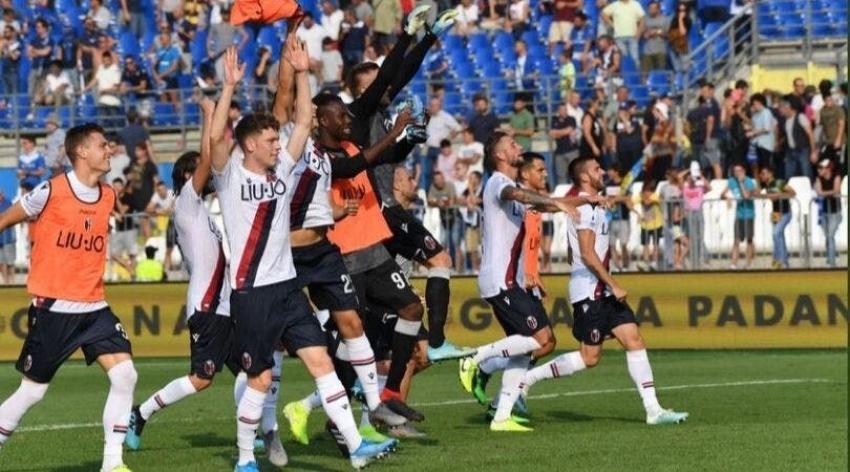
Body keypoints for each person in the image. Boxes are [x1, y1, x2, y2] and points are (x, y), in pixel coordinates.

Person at [209, 47, 395, 472]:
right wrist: (229, 87)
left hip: (288, 287)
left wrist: (304, 71)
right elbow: (216, 137)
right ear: (251, 144)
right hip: (252, 294)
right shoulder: (229, 175)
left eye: (280, 139)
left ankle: (354, 446)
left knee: (321, 362)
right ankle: (243, 460)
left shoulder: (283, 170)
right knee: (259, 378)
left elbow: (306, 121)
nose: (280, 144)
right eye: (272, 139)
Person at [126, 102, 287, 465]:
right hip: (207, 307)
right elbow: (205, 157)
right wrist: (207, 116)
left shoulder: (203, 212)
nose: (212, 178)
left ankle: (254, 435)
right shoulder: (185, 202)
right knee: (202, 378)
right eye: (201, 174)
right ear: (188, 177)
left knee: (253, 371)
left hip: (227, 305)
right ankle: (142, 412)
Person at [270, 29, 410, 439]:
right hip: (289, 257)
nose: (345, 120)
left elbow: (349, 167)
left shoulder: (320, 152)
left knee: (352, 325)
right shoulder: (291, 147)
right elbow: (286, 103)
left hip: (325, 250)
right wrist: (294, 69)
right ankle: (263, 432)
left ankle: (374, 407)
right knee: (275, 350)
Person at [0, 123, 137, 472]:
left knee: (125, 376)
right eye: (103, 145)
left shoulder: (108, 195)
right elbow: (7, 219)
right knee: (32, 393)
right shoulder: (52, 190)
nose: (110, 150)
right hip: (55, 307)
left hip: (95, 306)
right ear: (81, 152)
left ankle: (112, 463)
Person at [519, 155, 689, 426]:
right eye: (597, 169)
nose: (603, 172)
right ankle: (526, 379)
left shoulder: (593, 205)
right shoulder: (585, 208)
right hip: (590, 291)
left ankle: (653, 409)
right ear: (585, 177)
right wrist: (613, 283)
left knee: (633, 339)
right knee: (590, 357)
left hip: (602, 290)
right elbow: (587, 253)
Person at [458, 131, 585, 432]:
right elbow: (517, 196)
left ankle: (502, 416)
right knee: (541, 339)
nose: (519, 147)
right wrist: (558, 203)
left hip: (512, 281)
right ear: (500, 155)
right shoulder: (498, 182)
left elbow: (548, 204)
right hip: (500, 281)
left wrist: (586, 200)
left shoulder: (515, 188)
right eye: (512, 145)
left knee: (528, 347)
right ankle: (478, 359)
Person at [756, 166, 795, 269]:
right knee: (778, 236)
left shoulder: (779, 182)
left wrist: (779, 194)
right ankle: (783, 260)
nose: (762, 176)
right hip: (776, 213)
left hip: (785, 212)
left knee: (776, 233)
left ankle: (780, 260)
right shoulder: (767, 185)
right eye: (761, 174)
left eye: (764, 173)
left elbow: (792, 193)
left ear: (770, 174)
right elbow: (761, 195)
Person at [723, 163, 756, 269]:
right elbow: (722, 194)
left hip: (749, 214)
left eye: (739, 171)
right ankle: (734, 263)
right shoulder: (731, 181)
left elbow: (747, 196)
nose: (737, 173)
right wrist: (726, 197)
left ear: (744, 171)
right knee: (736, 240)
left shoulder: (749, 181)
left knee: (749, 239)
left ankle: (749, 263)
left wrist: (741, 183)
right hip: (739, 215)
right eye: (735, 171)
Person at [781, 95, 817, 179]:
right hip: (790, 151)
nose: (782, 110)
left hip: (803, 150)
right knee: (789, 174)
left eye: (784, 107)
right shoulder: (787, 120)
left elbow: (810, 134)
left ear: (789, 107)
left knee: (806, 172)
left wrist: (813, 151)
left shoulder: (801, 117)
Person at [814, 159, 842, 267]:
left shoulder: (836, 176)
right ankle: (831, 256)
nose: (819, 170)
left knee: (830, 235)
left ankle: (831, 261)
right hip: (824, 212)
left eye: (821, 168)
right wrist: (829, 193)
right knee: (827, 236)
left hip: (835, 212)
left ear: (828, 168)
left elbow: (836, 190)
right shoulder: (818, 178)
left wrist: (825, 193)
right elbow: (819, 192)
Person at [682, 162, 710, 267]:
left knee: (700, 236)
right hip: (689, 213)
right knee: (692, 237)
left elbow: (710, 187)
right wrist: (689, 171)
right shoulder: (685, 186)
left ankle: (703, 259)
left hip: (699, 212)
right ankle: (695, 261)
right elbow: (678, 177)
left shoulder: (700, 186)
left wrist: (700, 175)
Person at [605, 165, 633, 271]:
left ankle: (626, 266)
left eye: (610, 170)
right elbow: (604, 198)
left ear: (616, 172)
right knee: (612, 245)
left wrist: (616, 199)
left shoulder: (624, 184)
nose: (608, 173)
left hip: (623, 219)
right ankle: (618, 267)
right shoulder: (607, 185)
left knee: (623, 244)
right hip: (610, 219)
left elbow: (628, 198)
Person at [602, 0, 644, 67]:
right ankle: (626, 76)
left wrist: (638, 33)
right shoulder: (614, 5)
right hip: (619, 37)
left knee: (635, 58)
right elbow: (604, 14)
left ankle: (636, 76)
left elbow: (642, 19)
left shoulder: (635, 4)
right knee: (623, 59)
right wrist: (612, 25)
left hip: (633, 36)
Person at [550, 103, 579, 184]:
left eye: (564, 109)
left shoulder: (571, 119)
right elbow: (552, 133)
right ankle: (563, 195)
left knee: (574, 175)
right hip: (559, 152)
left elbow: (569, 130)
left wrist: (558, 133)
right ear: (558, 111)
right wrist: (565, 132)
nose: (563, 111)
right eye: (561, 110)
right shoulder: (554, 119)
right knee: (561, 176)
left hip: (572, 151)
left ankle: (575, 195)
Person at [748, 93, 777, 172]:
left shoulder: (766, 112)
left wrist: (753, 133)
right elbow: (754, 126)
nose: (753, 106)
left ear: (759, 102)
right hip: (757, 143)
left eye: (754, 104)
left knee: (765, 167)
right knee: (758, 167)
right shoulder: (755, 114)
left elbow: (766, 129)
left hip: (765, 144)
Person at [460, 170, 483, 271]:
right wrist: (467, 202)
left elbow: (476, 200)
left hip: (482, 224)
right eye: (470, 178)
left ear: (478, 179)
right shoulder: (468, 190)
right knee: (472, 248)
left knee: (482, 249)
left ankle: (482, 269)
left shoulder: (483, 190)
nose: (471, 181)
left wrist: (471, 192)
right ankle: (475, 270)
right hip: (471, 224)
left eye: (473, 178)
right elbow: (460, 199)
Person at [0, 190, 14, 284]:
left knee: (10, 261)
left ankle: (12, 281)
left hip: (8, 236)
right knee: (1, 261)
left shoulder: (8, 203)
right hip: (0, 237)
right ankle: (6, 282)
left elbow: (12, 217)